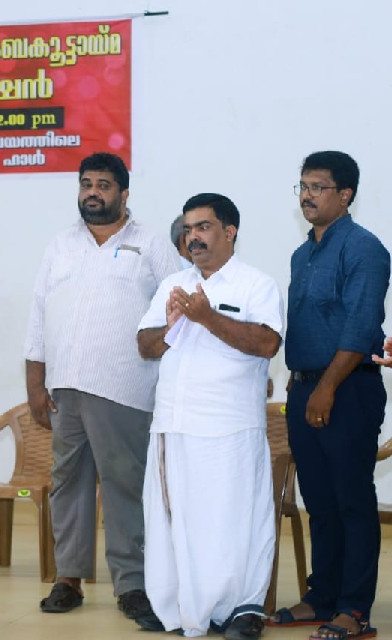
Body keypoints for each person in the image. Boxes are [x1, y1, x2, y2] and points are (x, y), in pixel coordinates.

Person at [25, 152, 180, 618]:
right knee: (66, 483)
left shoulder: (150, 244)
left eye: (104, 185)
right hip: (65, 386)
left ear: (124, 194)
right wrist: (35, 382)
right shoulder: (60, 245)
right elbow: (39, 315)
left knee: (123, 485)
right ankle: (68, 578)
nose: (93, 193)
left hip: (123, 386)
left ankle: (131, 584)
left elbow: (177, 312)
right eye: (86, 184)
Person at [135, 193, 282, 639]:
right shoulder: (173, 283)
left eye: (203, 227)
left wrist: (206, 317)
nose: (193, 237)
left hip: (229, 426)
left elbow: (266, 344)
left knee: (232, 521)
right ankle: (182, 608)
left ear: (229, 232)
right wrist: (171, 325)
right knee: (176, 521)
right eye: (188, 229)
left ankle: (243, 608)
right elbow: (145, 345)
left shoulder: (256, 284)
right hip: (174, 424)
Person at [271, 151, 389, 640]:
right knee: (319, 499)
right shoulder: (302, 255)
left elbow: (360, 328)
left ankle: (354, 609)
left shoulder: (365, 250)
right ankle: (321, 597)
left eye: (318, 187)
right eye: (303, 186)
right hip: (305, 388)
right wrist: (301, 384)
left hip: (346, 388)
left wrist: (325, 387)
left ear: (346, 195)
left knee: (351, 500)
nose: (307, 195)